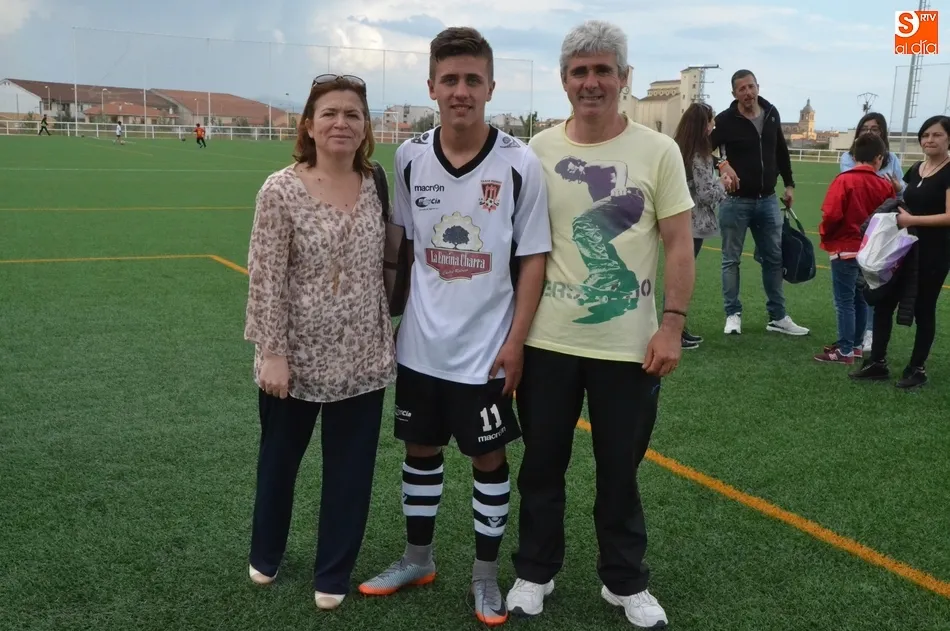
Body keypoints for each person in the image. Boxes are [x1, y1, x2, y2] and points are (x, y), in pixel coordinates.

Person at [357, 27, 552, 627]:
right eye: (450, 80)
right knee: (420, 449)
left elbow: (533, 259)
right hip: (420, 346)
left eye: (472, 80)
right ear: (431, 87)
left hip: (486, 351)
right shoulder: (410, 156)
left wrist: (516, 342)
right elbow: (401, 247)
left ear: (490, 87)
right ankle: (418, 559)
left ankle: (485, 575)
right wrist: (387, 319)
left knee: (488, 457)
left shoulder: (519, 162)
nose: (460, 91)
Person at [504, 20, 695, 629]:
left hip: (628, 347)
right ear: (564, 81)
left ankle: (625, 581)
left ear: (624, 77)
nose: (591, 82)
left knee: (620, 472)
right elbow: (522, 247)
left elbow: (679, 242)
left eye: (603, 70)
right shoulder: (536, 150)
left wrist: (672, 324)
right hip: (548, 342)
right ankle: (535, 571)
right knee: (541, 466)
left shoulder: (657, 151)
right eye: (580, 71)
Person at [243, 73, 396, 610]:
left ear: (366, 127)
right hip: (296, 359)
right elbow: (265, 278)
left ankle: (333, 572)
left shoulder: (376, 183)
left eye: (353, 114)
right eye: (329, 113)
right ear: (309, 125)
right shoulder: (280, 190)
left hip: (364, 356)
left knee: (350, 475)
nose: (341, 123)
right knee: (279, 463)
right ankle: (266, 553)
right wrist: (273, 354)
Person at [851, 114, 950, 388]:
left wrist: (911, 220)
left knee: (923, 308)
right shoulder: (917, 168)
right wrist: (898, 193)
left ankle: (917, 368)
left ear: (948, 139)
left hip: (933, 253)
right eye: (925, 135)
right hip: (903, 248)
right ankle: (877, 363)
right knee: (884, 302)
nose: (929, 140)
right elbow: (907, 199)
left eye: (937, 135)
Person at [711, 70, 809, 336]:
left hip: (767, 201)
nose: (748, 93)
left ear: (758, 87)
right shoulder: (725, 120)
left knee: (774, 259)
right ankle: (733, 314)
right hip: (734, 202)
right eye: (741, 89)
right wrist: (722, 164)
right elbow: (703, 147)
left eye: (751, 86)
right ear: (734, 94)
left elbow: (781, 151)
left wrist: (789, 184)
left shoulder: (772, 114)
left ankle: (778, 317)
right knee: (731, 260)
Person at [814, 133, 896, 364]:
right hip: (870, 251)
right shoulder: (884, 185)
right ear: (879, 158)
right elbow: (890, 218)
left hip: (845, 248)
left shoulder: (844, 180)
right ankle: (856, 345)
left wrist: (827, 235)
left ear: (853, 156)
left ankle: (845, 350)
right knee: (860, 298)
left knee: (844, 301)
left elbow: (831, 214)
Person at [839, 112, 905, 352]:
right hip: (855, 230)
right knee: (856, 286)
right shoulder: (848, 157)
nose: (869, 132)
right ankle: (857, 335)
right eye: (865, 128)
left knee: (874, 282)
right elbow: (857, 182)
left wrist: (897, 187)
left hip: (882, 228)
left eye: (875, 128)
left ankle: (869, 332)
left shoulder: (892, 158)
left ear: (883, 132)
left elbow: (900, 190)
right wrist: (887, 186)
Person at [672, 101, 732, 349]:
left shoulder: (680, 149)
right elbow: (707, 194)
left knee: (677, 274)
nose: (713, 126)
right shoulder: (699, 155)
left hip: (679, 218)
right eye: (710, 121)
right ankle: (674, 330)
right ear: (702, 125)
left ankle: (678, 328)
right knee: (681, 277)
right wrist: (723, 183)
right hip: (693, 222)